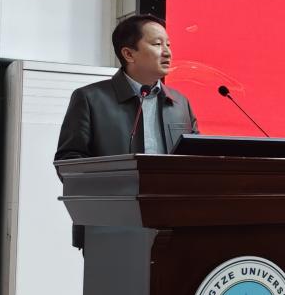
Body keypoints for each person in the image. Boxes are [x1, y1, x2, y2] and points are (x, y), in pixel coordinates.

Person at [54, 14, 200, 246]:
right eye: (157, 44)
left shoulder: (180, 103)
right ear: (129, 54)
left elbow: (196, 162)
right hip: (109, 229)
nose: (167, 52)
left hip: (173, 228)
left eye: (169, 44)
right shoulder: (90, 99)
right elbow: (69, 163)